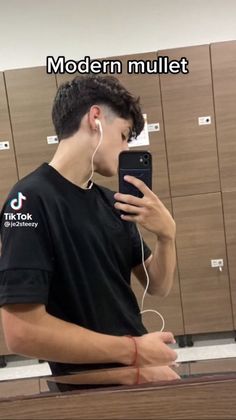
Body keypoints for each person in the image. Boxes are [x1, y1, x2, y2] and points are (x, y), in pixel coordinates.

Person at [0, 75, 179, 390]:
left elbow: (159, 286)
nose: (125, 149)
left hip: (137, 374)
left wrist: (167, 236)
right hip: (91, 390)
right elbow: (21, 332)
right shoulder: (27, 201)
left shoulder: (113, 202)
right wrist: (135, 352)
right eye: (124, 136)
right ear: (95, 118)